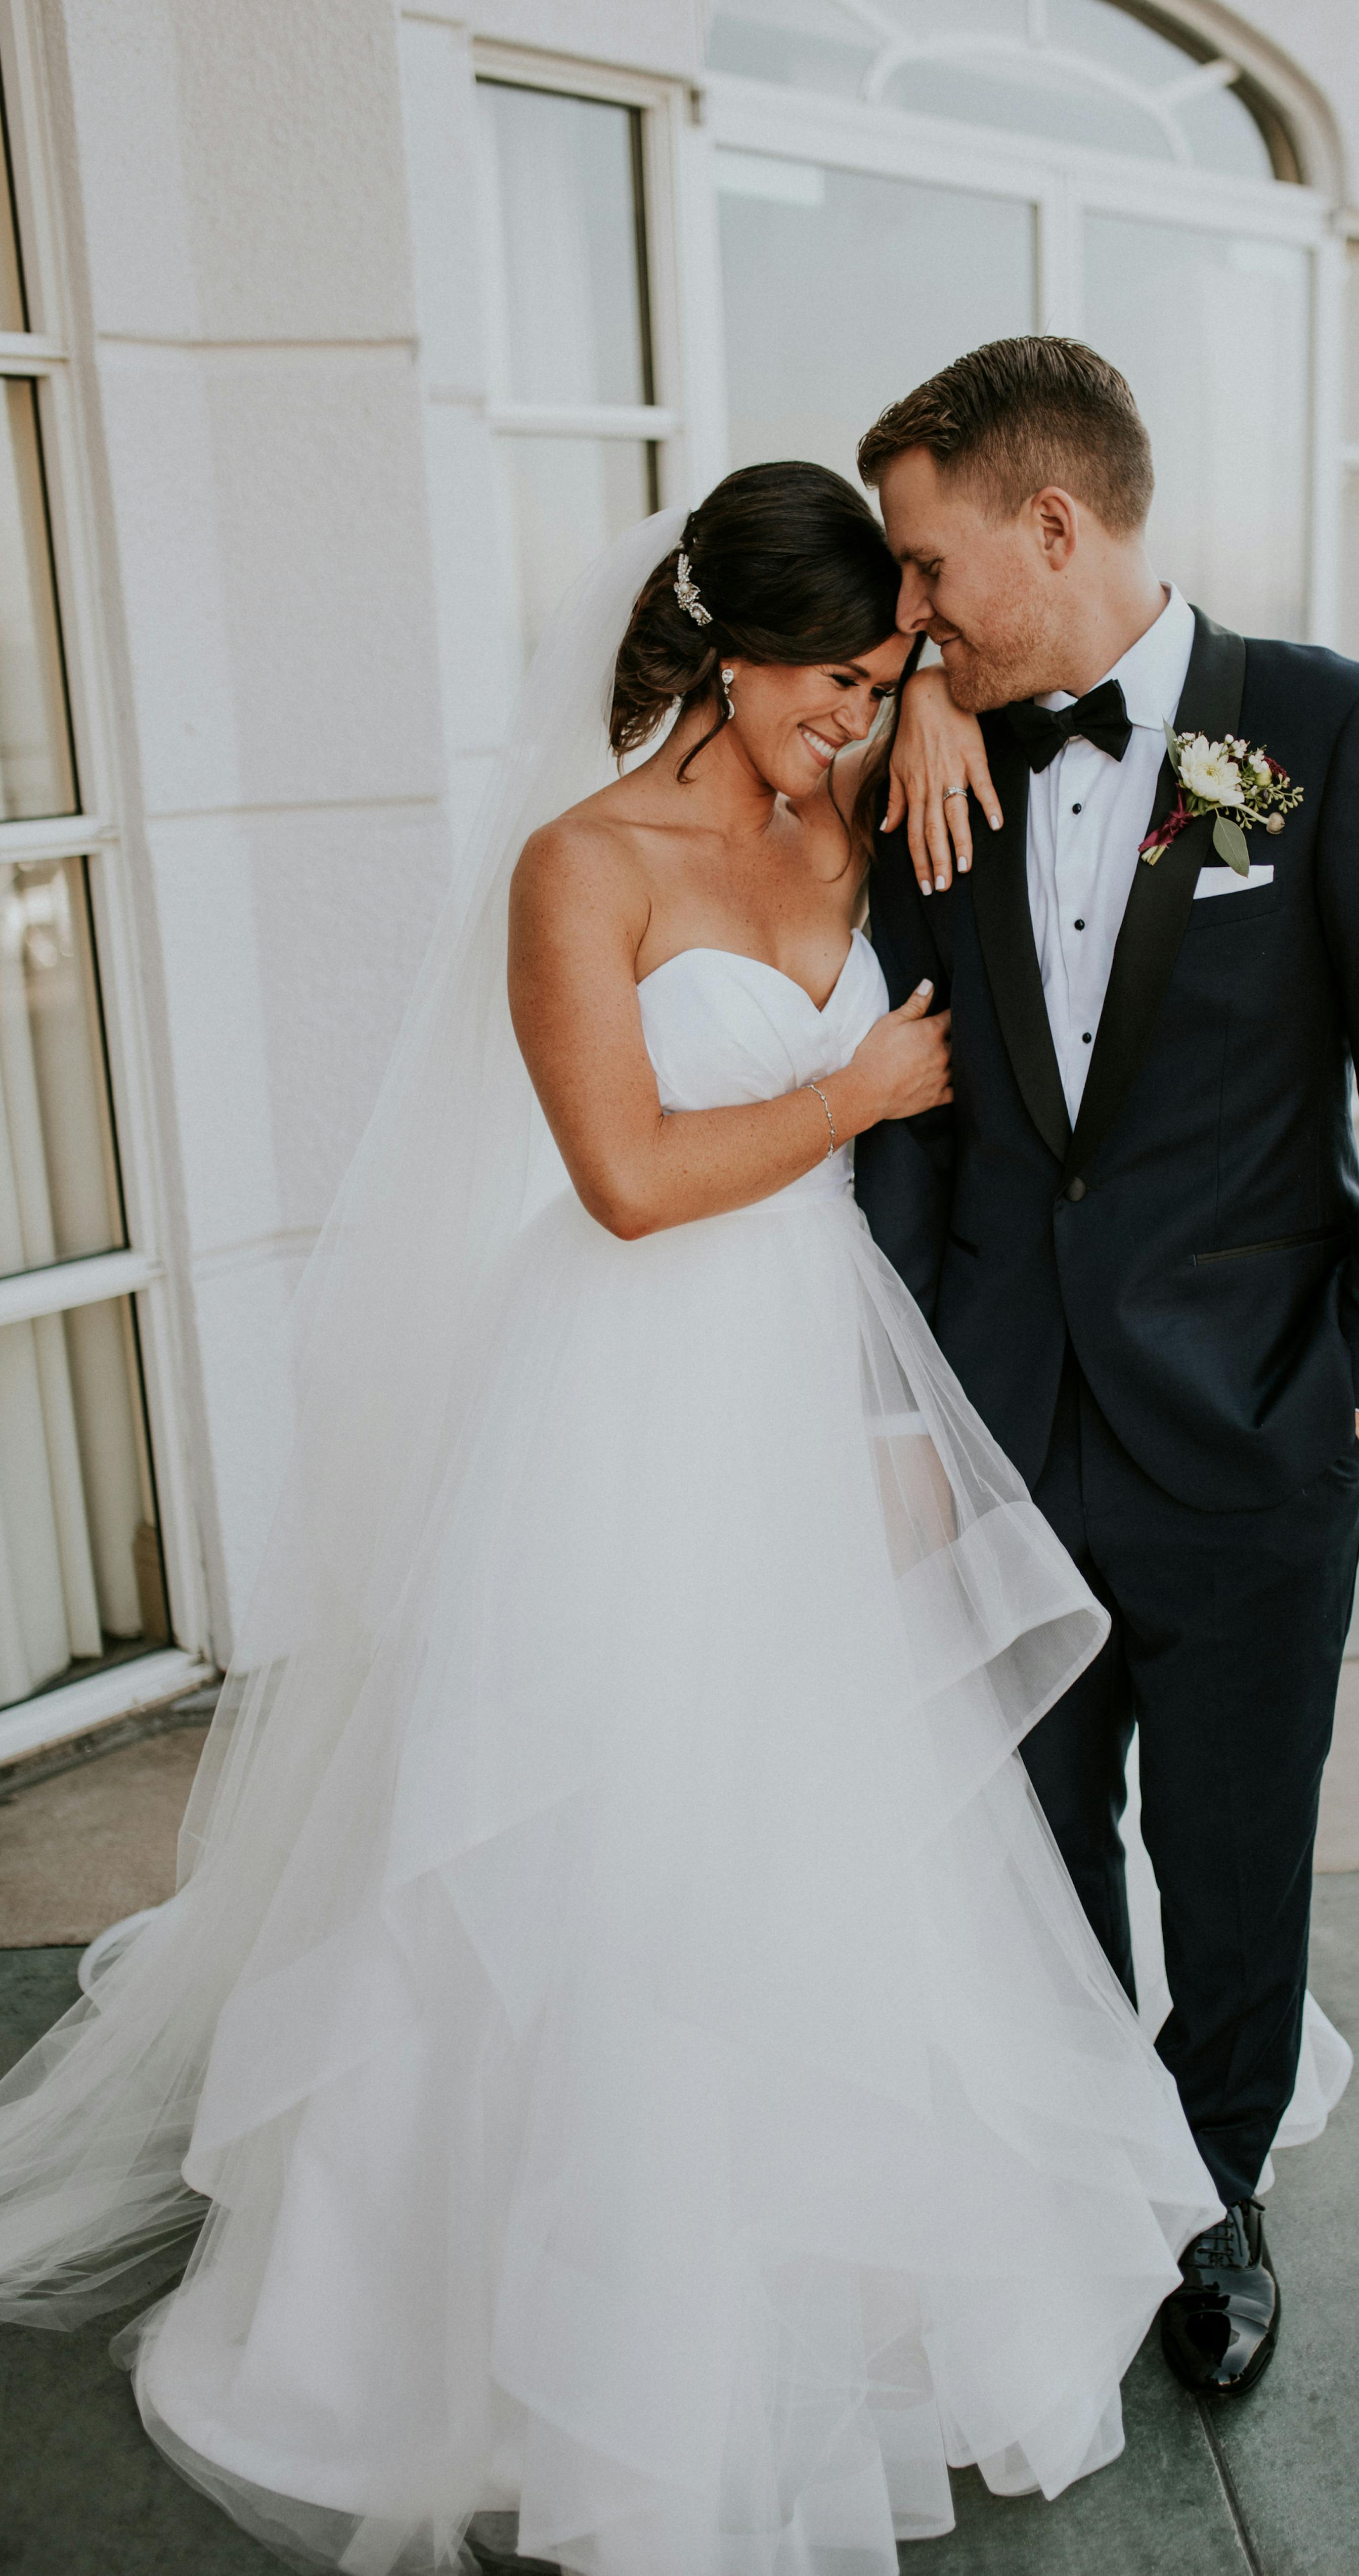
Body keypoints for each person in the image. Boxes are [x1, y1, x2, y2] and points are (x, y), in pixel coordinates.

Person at [0, 465, 1247, 2576]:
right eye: (834, 683)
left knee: (843, 1843)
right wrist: (855, 1092)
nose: (855, 718)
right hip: (625, 1396)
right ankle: (547, 2346)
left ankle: (838, 2284)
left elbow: (1047, 735)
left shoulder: (861, 796)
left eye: (883, 676)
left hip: (822, 1382)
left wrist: (933, 702)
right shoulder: (580, 865)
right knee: (600, 1848)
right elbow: (629, 1174)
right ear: (731, 652)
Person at [856, 338, 1359, 2399]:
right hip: (999, 1420)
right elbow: (917, 1118)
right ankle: (1074, 2183)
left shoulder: (1332, 736)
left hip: (1254, 1429)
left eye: (927, 566)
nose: (908, 613)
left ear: (1051, 523)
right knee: (1035, 1858)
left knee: (1237, 1860)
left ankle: (1211, 2198)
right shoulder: (934, 756)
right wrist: (903, 1393)